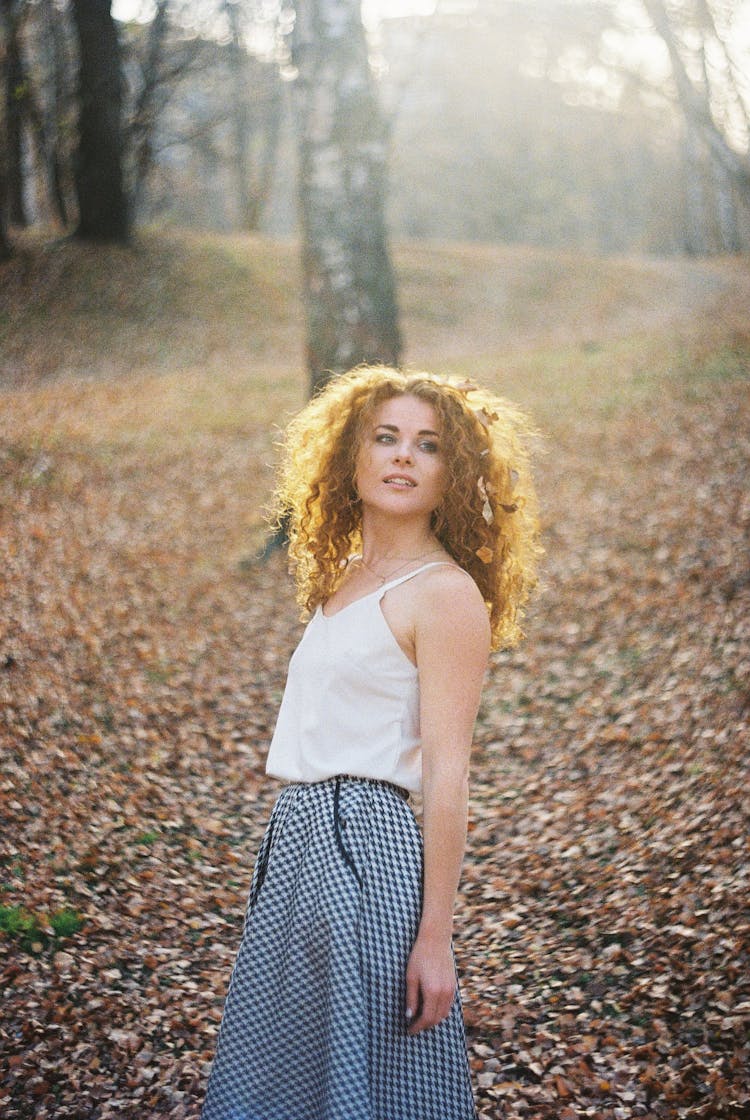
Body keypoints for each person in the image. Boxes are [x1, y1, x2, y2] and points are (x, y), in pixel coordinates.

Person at [200, 366, 540, 1120]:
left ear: (453, 473)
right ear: (349, 458)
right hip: (295, 841)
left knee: (373, 1083)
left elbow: (448, 775)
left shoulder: (445, 595)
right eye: (384, 438)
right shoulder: (342, 578)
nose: (401, 457)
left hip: (368, 846)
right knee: (284, 1077)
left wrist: (436, 940)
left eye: (427, 445)